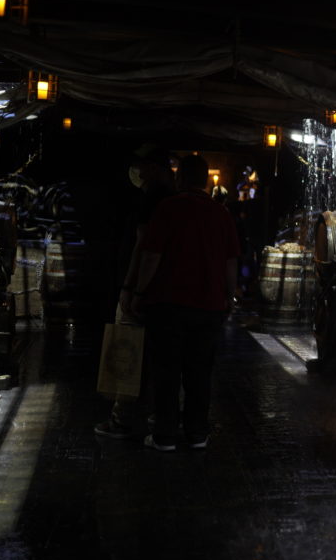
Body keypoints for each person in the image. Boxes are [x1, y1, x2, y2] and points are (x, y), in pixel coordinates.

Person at [127, 153, 240, 450]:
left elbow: (152, 256)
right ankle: (197, 433)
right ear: (204, 180)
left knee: (167, 372)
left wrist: (138, 293)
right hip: (209, 307)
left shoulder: (168, 209)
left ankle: (165, 436)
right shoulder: (221, 214)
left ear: (180, 178)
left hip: (168, 304)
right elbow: (231, 262)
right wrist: (230, 296)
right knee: (200, 372)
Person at [94, 143, 174, 439]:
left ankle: (121, 419)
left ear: (153, 168)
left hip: (141, 289)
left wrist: (130, 288)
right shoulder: (169, 199)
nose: (136, 171)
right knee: (156, 358)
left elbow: (144, 247)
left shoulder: (152, 199)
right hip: (162, 292)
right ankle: (155, 418)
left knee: (125, 351)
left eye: (141, 165)